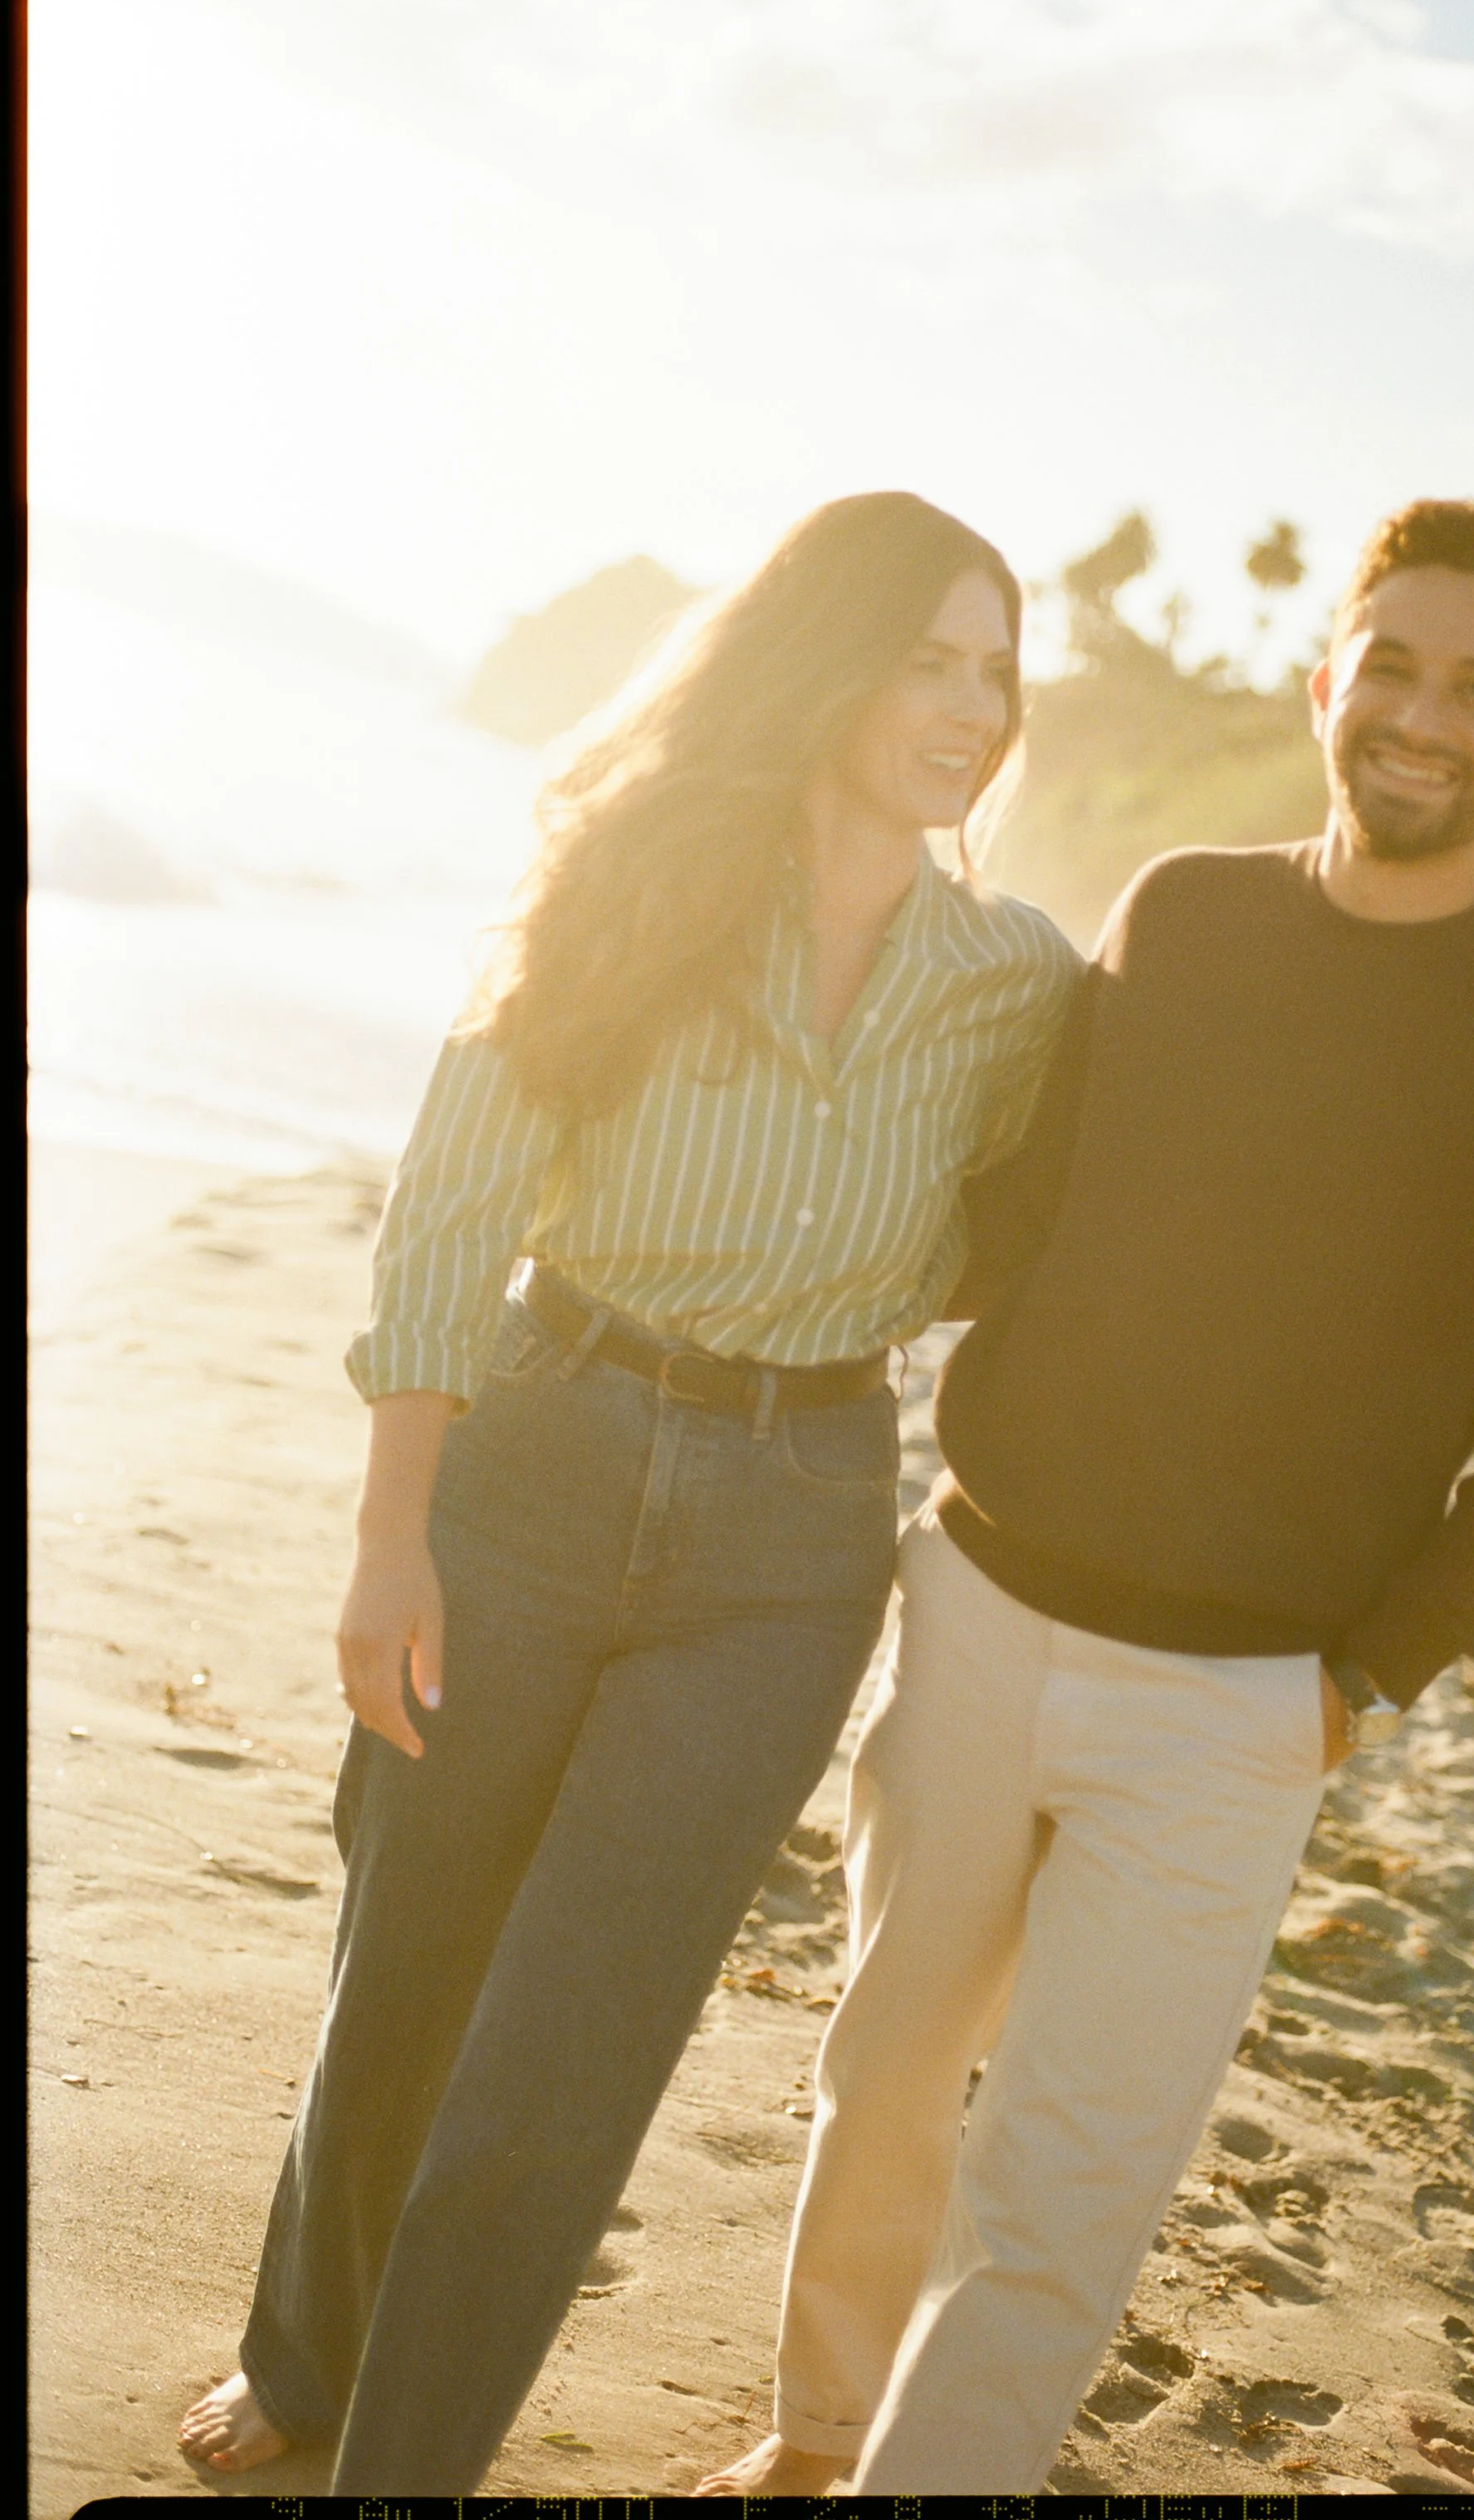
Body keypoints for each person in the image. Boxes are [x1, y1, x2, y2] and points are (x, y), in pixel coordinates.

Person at [701, 498, 1474, 2498]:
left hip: (1242, 1705)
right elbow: (1016, 1216)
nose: (1422, 716)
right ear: (1327, 679)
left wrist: (1358, 1682)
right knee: (882, 2088)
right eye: (1390, 664)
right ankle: (814, 2446)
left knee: (1062, 2188)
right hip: (976, 1609)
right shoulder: (1179, 911)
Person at [176, 491, 1080, 2495]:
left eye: (997, 671)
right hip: (536, 1460)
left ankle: (402, 2462)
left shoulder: (1015, 981)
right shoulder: (631, 877)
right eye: (929, 658)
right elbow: (454, 1202)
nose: (969, 706)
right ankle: (306, 2357)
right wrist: (389, 1528)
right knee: (405, 1971)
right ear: (823, 656)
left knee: (568, 2055)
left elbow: (1011, 1234)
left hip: (791, 1531)